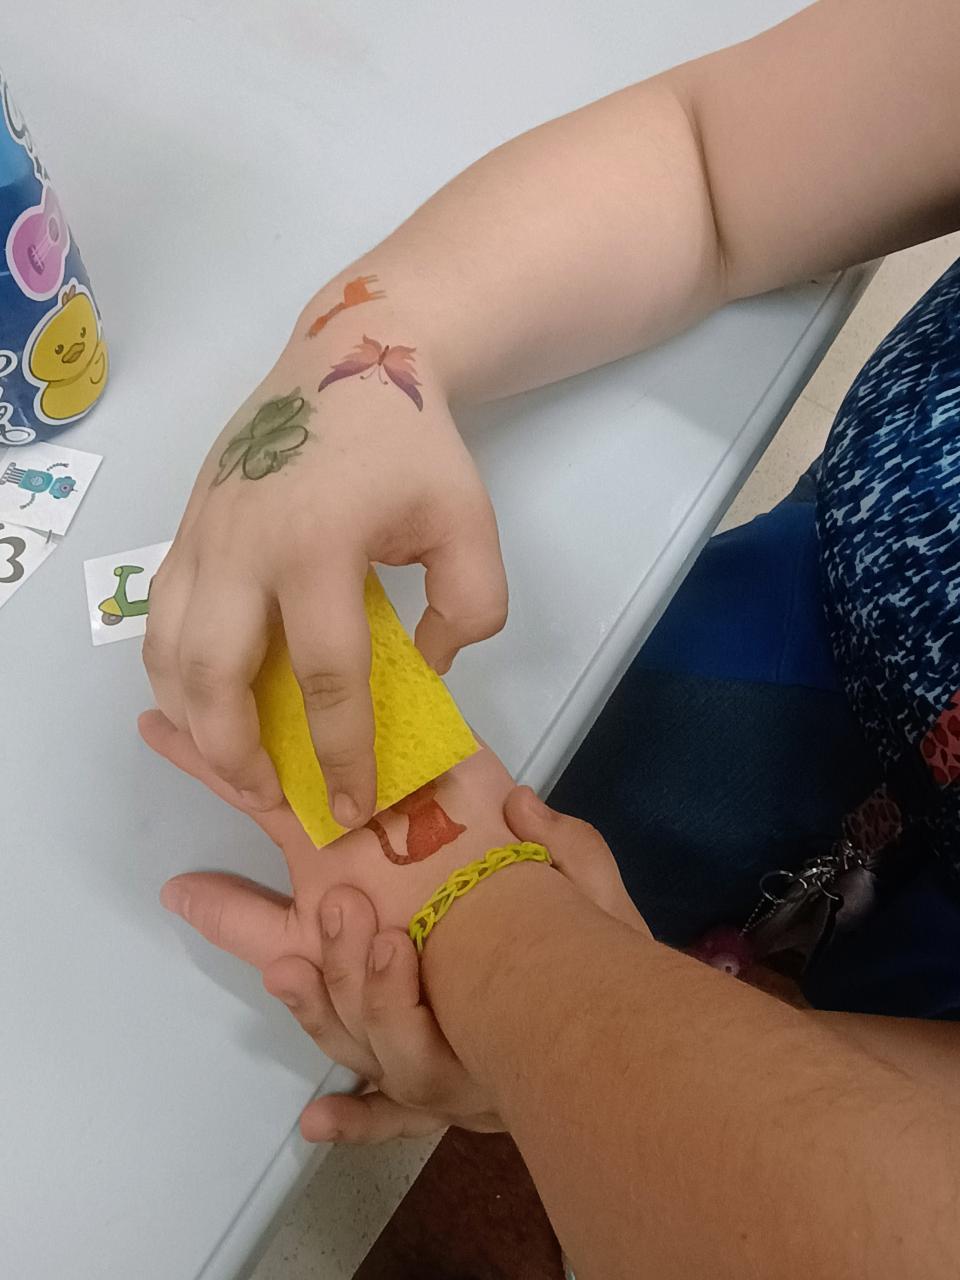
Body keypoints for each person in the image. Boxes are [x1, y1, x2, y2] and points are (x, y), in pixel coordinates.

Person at [142, 0, 960, 1273]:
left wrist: (519, 985)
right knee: (576, 745)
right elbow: (707, 158)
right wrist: (360, 354)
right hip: (832, 608)